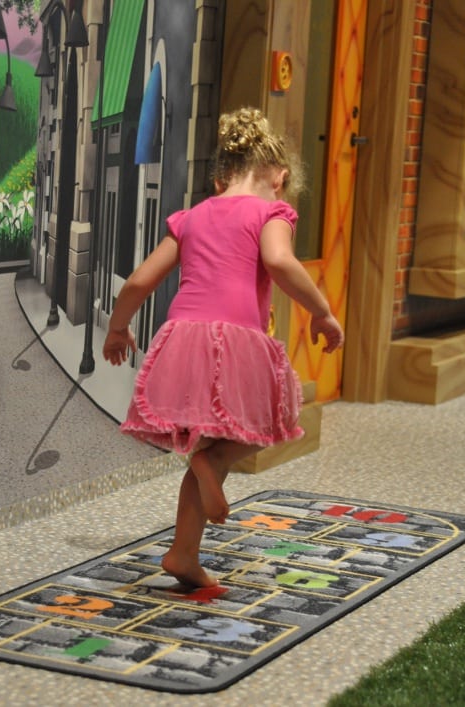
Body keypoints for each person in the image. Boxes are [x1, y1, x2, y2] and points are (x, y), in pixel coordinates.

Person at [103, 107, 344, 588]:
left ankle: (182, 553)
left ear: (220, 179)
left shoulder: (191, 217)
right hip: (236, 337)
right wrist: (320, 309)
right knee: (258, 427)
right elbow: (278, 261)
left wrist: (118, 329)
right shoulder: (273, 212)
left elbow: (138, 281)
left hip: (181, 337)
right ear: (278, 177)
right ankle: (208, 465)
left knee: (209, 443)